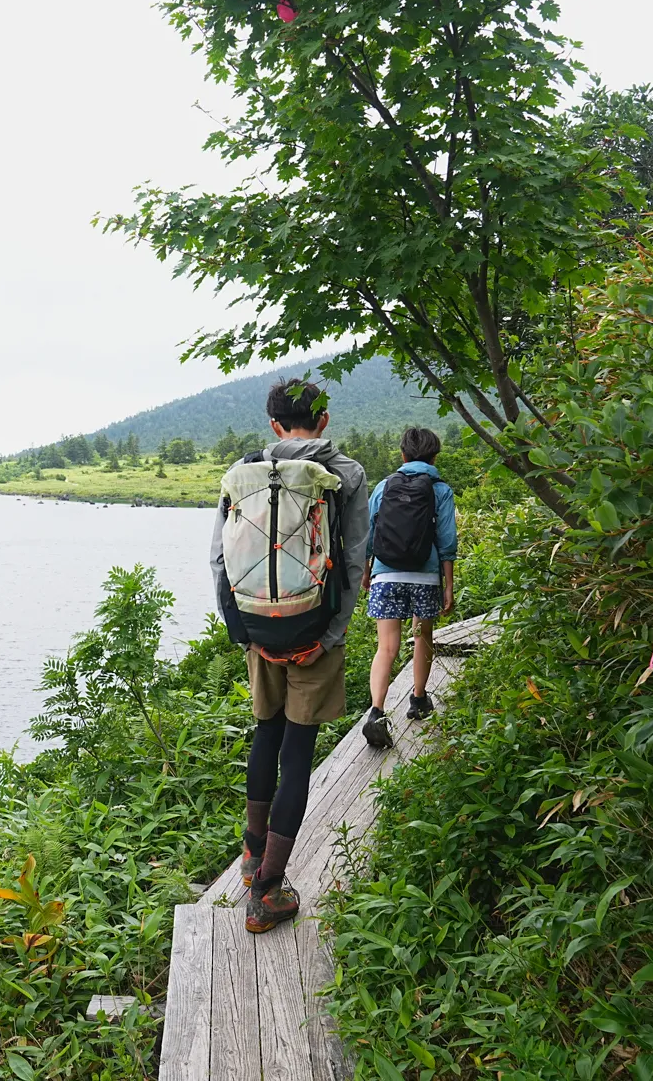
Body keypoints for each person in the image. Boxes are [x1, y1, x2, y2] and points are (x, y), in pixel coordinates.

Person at [209, 379, 368, 934]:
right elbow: (354, 563)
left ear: (274, 425)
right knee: (298, 751)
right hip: (314, 632)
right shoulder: (345, 475)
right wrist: (330, 636)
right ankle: (268, 892)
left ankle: (253, 858)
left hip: (259, 630)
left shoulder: (243, 472)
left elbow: (218, 563)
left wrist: (244, 634)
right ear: (323, 421)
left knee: (265, 735)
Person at [361, 427, 458, 749]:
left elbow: (370, 533)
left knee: (386, 647)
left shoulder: (384, 485)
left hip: (385, 575)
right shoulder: (440, 489)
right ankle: (418, 700)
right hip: (425, 575)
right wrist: (448, 585)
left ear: (402, 455)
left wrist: (367, 572)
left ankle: (376, 711)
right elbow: (446, 541)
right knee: (422, 637)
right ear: (435, 456)